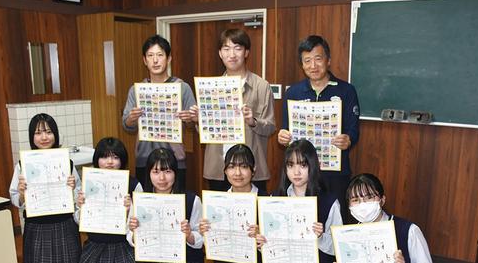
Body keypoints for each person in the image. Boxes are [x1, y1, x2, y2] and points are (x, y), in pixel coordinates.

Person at [277, 35, 360, 220]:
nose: (313, 65)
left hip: (335, 171)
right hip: (302, 172)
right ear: (302, 64)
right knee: (303, 219)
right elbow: (286, 130)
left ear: (328, 60)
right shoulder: (293, 92)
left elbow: (354, 130)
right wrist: (283, 136)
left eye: (318, 59)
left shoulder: (346, 91)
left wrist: (348, 139)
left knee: (336, 219)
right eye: (307, 60)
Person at [190, 28, 275, 192]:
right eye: (226, 49)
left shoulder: (262, 86)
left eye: (237, 48)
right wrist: (199, 121)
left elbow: (270, 127)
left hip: (250, 168)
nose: (232, 54)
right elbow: (206, 133)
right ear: (220, 53)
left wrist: (253, 121)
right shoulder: (211, 88)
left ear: (246, 52)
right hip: (219, 168)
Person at [127, 148, 204, 263]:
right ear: (148, 174)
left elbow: (200, 239)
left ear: (176, 173)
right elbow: (130, 238)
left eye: (167, 171)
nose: (162, 178)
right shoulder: (141, 201)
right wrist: (134, 232)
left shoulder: (191, 200)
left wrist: (189, 235)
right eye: (156, 172)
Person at [9, 113, 81, 263]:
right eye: (38, 133)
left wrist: (73, 188)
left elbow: (80, 195)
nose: (44, 137)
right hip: (38, 226)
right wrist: (22, 193)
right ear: (31, 137)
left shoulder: (67, 162)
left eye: (48, 132)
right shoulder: (23, 164)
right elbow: (15, 198)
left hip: (64, 224)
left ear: (55, 134)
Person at [122, 34, 197, 188]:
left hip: (175, 160)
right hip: (145, 160)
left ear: (168, 59)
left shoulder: (182, 88)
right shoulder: (136, 90)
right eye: (150, 56)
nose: (155, 60)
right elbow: (127, 126)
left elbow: (193, 126)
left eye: (160, 55)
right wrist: (132, 118)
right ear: (145, 60)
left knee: (175, 201)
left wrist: (190, 119)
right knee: (146, 201)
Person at [74, 137, 142, 263]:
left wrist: (129, 210)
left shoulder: (133, 184)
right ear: (97, 159)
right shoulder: (88, 182)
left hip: (122, 246)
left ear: (122, 160)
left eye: (115, 157)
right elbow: (79, 221)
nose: (110, 162)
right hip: (96, 244)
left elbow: (139, 225)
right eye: (104, 157)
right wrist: (81, 207)